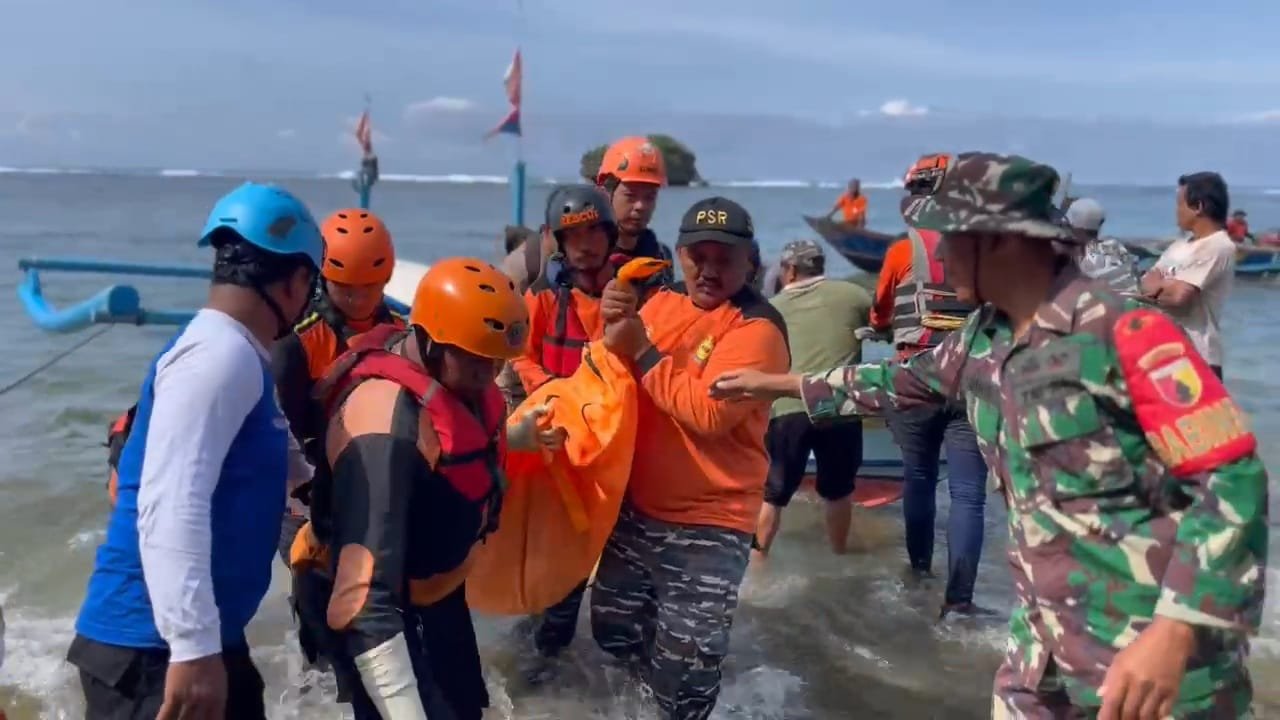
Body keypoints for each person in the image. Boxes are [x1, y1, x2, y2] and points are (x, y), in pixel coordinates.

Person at [711, 152, 1267, 719]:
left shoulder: (1126, 334)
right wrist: (776, 383)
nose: (938, 258)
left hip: (1151, 665)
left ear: (1000, 241)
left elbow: (1234, 481)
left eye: (948, 241)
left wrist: (1178, 630)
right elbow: (898, 381)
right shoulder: (983, 338)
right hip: (1043, 654)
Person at [69, 182, 323, 720]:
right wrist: (193, 649)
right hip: (151, 650)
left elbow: (290, 463)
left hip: (200, 638)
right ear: (298, 281)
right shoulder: (218, 356)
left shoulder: (237, 353)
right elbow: (170, 501)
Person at [288, 257, 562, 720]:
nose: (489, 372)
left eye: (496, 358)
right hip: (367, 603)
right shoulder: (383, 430)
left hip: (429, 587)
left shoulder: (458, 377)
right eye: (476, 359)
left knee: (465, 708)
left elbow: (448, 451)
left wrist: (514, 437)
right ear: (431, 344)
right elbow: (364, 602)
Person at [591, 197, 791, 720]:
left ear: (750, 262)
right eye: (696, 255)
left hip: (709, 526)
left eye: (724, 258)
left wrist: (643, 350)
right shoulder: (659, 303)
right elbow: (612, 370)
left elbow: (707, 414)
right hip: (635, 513)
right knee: (614, 638)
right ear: (678, 254)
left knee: (685, 678)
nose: (709, 269)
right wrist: (609, 318)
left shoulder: (757, 329)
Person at [271, 208, 405, 665]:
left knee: (380, 606)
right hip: (306, 493)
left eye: (368, 286)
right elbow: (281, 431)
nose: (356, 297)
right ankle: (315, 692)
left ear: (386, 276)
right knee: (320, 612)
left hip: (375, 487)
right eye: (344, 286)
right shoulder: (296, 344)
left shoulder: (404, 336)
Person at [506, 185, 625, 658]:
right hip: (556, 438)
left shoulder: (628, 294)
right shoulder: (542, 298)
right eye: (574, 235)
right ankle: (541, 658)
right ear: (558, 240)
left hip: (608, 441)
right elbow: (522, 355)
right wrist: (553, 393)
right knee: (554, 569)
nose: (586, 244)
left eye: (596, 231)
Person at [867, 199, 989, 616]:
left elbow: (881, 310)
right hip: (968, 379)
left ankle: (919, 574)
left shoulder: (903, 250)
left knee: (918, 477)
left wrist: (883, 325)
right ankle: (960, 600)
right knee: (969, 495)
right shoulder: (978, 249)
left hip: (916, 377)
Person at [755, 239, 871, 558]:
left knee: (774, 495)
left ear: (790, 271)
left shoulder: (772, 307)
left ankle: (756, 563)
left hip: (789, 406)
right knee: (839, 492)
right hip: (839, 405)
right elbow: (881, 327)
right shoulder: (854, 295)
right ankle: (838, 554)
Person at [1141, 172, 1237, 379]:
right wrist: (1164, 286)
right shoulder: (1180, 245)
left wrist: (1158, 285)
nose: (1177, 211)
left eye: (1179, 204)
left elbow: (1178, 298)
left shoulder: (1218, 246)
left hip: (1199, 358)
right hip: (1166, 352)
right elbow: (1144, 282)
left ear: (1198, 207)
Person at [1066, 197, 1142, 296]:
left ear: (1075, 227)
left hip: (1112, 307)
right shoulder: (1116, 246)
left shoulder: (1083, 260)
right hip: (1134, 304)